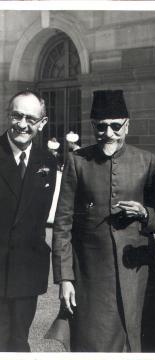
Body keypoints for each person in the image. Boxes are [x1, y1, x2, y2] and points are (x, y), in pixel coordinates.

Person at [51, 89, 155, 352]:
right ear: (92, 126)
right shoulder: (77, 162)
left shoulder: (146, 161)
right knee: (94, 342)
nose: (108, 133)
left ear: (127, 126)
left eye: (115, 126)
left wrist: (144, 213)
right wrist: (65, 279)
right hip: (92, 275)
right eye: (101, 127)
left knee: (137, 342)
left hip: (138, 273)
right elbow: (63, 225)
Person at [0, 90, 57, 351]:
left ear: (42, 124)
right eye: (17, 116)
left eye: (30, 119)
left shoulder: (47, 161)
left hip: (27, 272)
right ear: (8, 116)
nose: (22, 125)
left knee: (19, 342)